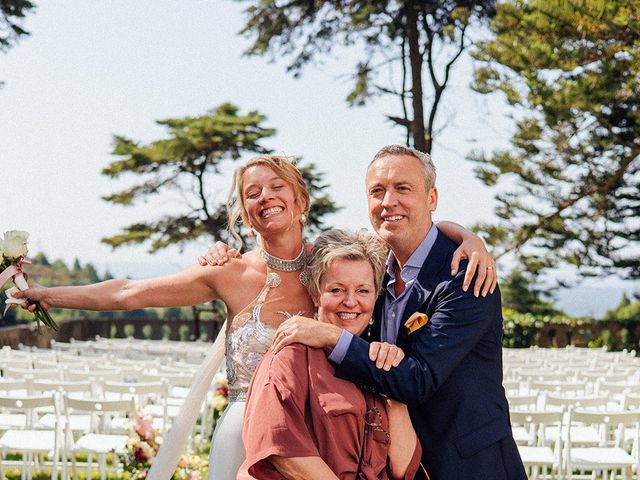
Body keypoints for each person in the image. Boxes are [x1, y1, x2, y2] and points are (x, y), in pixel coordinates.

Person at [14, 154, 494, 480]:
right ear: (243, 213)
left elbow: (401, 231)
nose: (265, 197)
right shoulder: (227, 272)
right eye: (252, 193)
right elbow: (128, 291)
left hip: (333, 432)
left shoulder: (332, 264)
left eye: (276, 187)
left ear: (301, 199)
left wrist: (468, 237)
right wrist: (48, 295)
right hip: (251, 429)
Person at [267, 145, 527, 480]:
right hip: (398, 465)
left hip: (469, 465)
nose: (388, 201)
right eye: (377, 191)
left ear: (431, 198)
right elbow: (290, 260)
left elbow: (418, 380)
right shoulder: (372, 273)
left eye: (403, 188)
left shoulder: (466, 277)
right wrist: (225, 255)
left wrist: (333, 336)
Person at [239, 229, 422, 479]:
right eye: (336, 290)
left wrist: (391, 386)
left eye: (363, 291)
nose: (350, 301)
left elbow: (402, 468)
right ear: (316, 295)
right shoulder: (290, 356)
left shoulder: (376, 358)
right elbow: (281, 450)